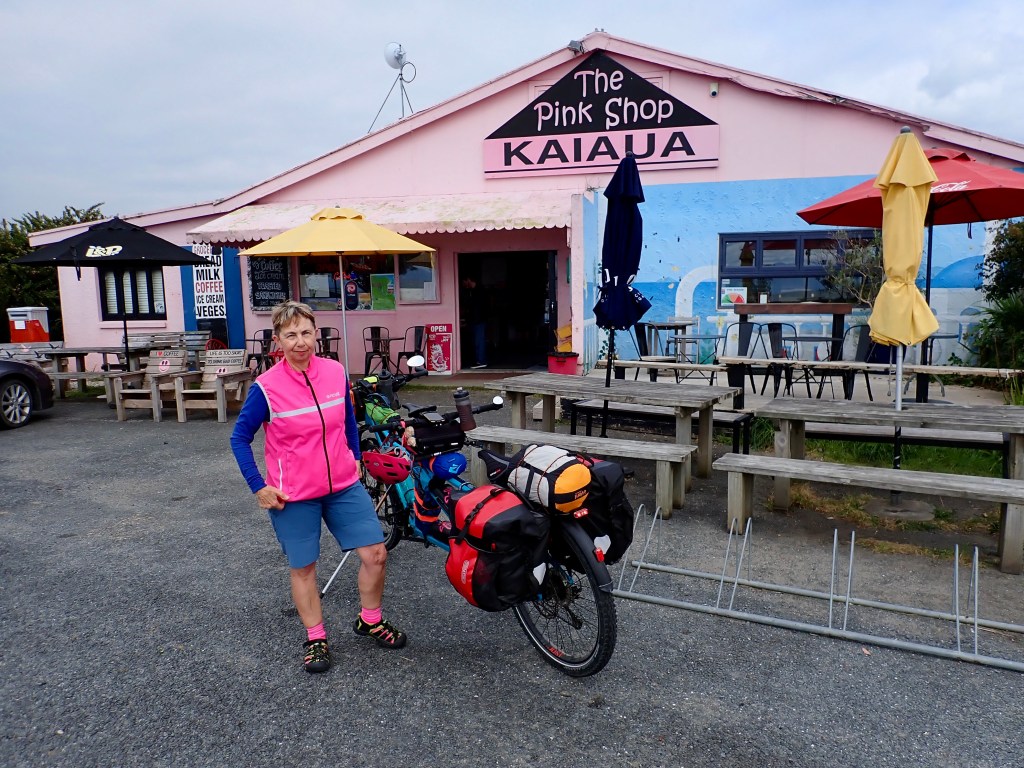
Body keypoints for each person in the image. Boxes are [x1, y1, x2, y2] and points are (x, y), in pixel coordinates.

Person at [230, 301, 406, 674]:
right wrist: (258, 486)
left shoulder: (334, 372)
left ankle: (370, 620)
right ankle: (316, 637)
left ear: (316, 335)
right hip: (293, 494)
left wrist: (354, 456)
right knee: (304, 567)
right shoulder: (266, 388)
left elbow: (347, 418)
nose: (300, 342)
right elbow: (239, 438)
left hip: (342, 485)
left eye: (306, 333)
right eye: (291, 335)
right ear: (278, 340)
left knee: (376, 554)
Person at [460, 275, 488, 368]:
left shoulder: (478, 292)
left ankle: (481, 361)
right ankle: (479, 360)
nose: (464, 285)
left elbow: (476, 308)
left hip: (478, 320)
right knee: (478, 341)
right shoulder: (476, 291)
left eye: (464, 282)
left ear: (468, 280)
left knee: (479, 341)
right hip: (477, 320)